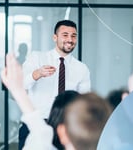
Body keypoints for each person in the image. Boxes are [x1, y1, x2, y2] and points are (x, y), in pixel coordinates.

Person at [20, 19, 91, 149]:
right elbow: (21, 85)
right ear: (55, 37)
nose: (70, 39)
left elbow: (84, 101)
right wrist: (37, 74)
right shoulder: (36, 58)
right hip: (36, 125)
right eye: (65, 35)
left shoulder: (82, 69)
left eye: (73, 36)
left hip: (66, 128)